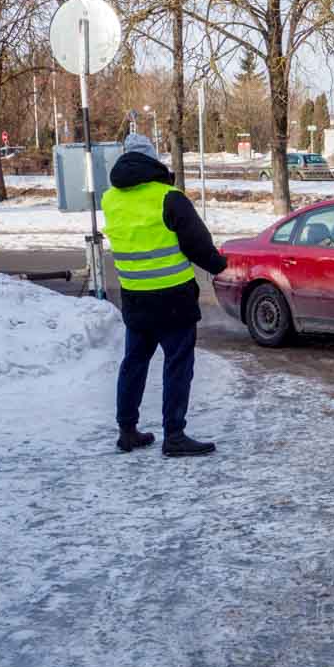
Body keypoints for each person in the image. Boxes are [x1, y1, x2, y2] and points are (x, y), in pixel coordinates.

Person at [101, 133, 226, 457]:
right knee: (177, 364)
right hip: (173, 302)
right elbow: (197, 243)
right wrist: (218, 264)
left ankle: (127, 431)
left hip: (135, 299)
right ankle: (174, 435)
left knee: (134, 363)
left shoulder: (110, 200)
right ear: (154, 161)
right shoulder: (169, 197)